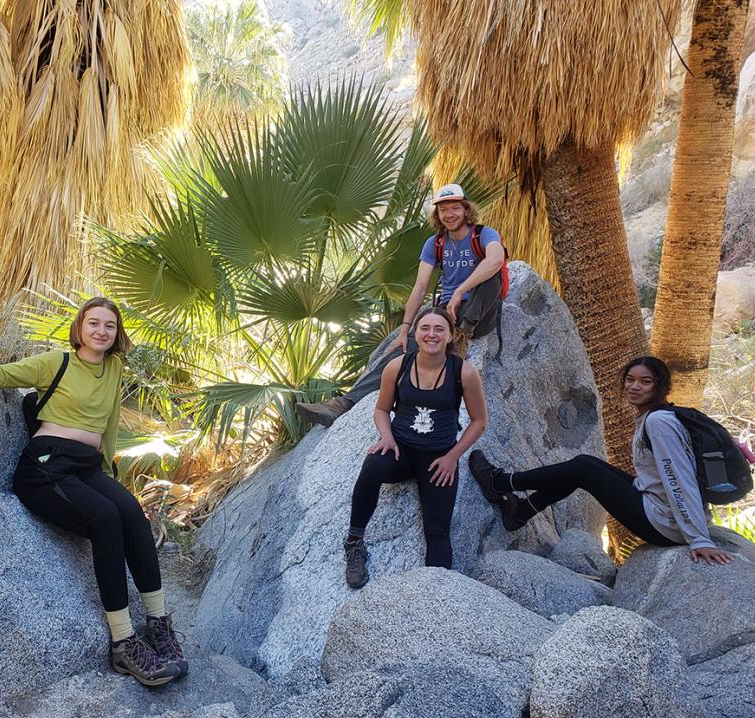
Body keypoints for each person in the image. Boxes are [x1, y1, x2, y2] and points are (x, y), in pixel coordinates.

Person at [0, 297, 187, 687]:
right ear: (80, 328)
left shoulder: (114, 367)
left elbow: (110, 422)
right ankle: (123, 643)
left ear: (118, 334)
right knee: (106, 519)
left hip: (86, 466)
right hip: (45, 465)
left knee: (131, 511)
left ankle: (158, 623)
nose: (101, 331)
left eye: (109, 326)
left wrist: (109, 472)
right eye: (93, 323)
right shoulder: (56, 362)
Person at [469, 356, 733, 565]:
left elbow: (678, 477)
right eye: (630, 380)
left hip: (665, 524)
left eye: (645, 381)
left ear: (660, 386)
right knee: (586, 466)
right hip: (659, 509)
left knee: (584, 469)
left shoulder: (659, 422)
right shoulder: (658, 417)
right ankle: (521, 511)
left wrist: (699, 538)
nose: (634, 386)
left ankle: (500, 483)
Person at [297, 183, 506, 427]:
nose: (449, 215)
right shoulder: (435, 243)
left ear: (466, 209)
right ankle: (342, 404)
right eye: (443, 210)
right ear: (437, 215)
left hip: (479, 315)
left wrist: (461, 290)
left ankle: (462, 335)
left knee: (494, 274)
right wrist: (406, 329)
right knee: (403, 349)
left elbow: (495, 260)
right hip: (447, 313)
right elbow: (419, 288)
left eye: (455, 208)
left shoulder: (484, 234)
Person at [343, 306, 488, 588]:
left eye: (438, 329)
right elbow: (382, 410)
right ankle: (354, 541)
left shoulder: (464, 373)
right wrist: (386, 437)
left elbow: (479, 421)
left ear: (449, 336)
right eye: (425, 328)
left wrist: (452, 458)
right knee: (372, 466)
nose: (431, 334)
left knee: (437, 533)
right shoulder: (397, 367)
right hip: (402, 451)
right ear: (415, 334)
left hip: (438, 460)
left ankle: (432, 594)